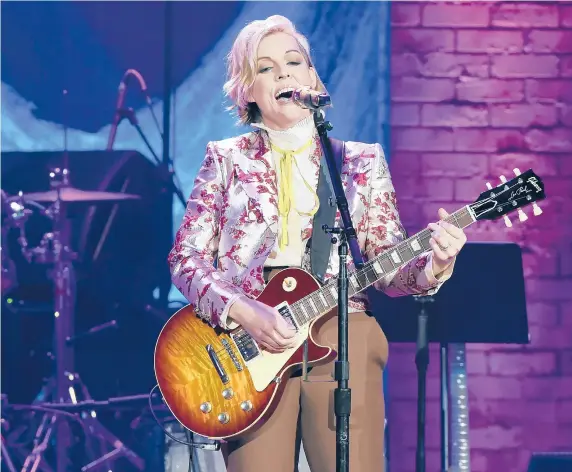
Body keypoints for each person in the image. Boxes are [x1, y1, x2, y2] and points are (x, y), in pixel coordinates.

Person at [168, 14, 467, 472]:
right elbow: (185, 259)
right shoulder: (224, 159)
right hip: (251, 339)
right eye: (266, 68)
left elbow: (388, 264)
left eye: (294, 62)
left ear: (313, 78)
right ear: (247, 90)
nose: (284, 73)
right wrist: (245, 310)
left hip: (342, 329)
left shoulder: (360, 162)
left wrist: (435, 265)